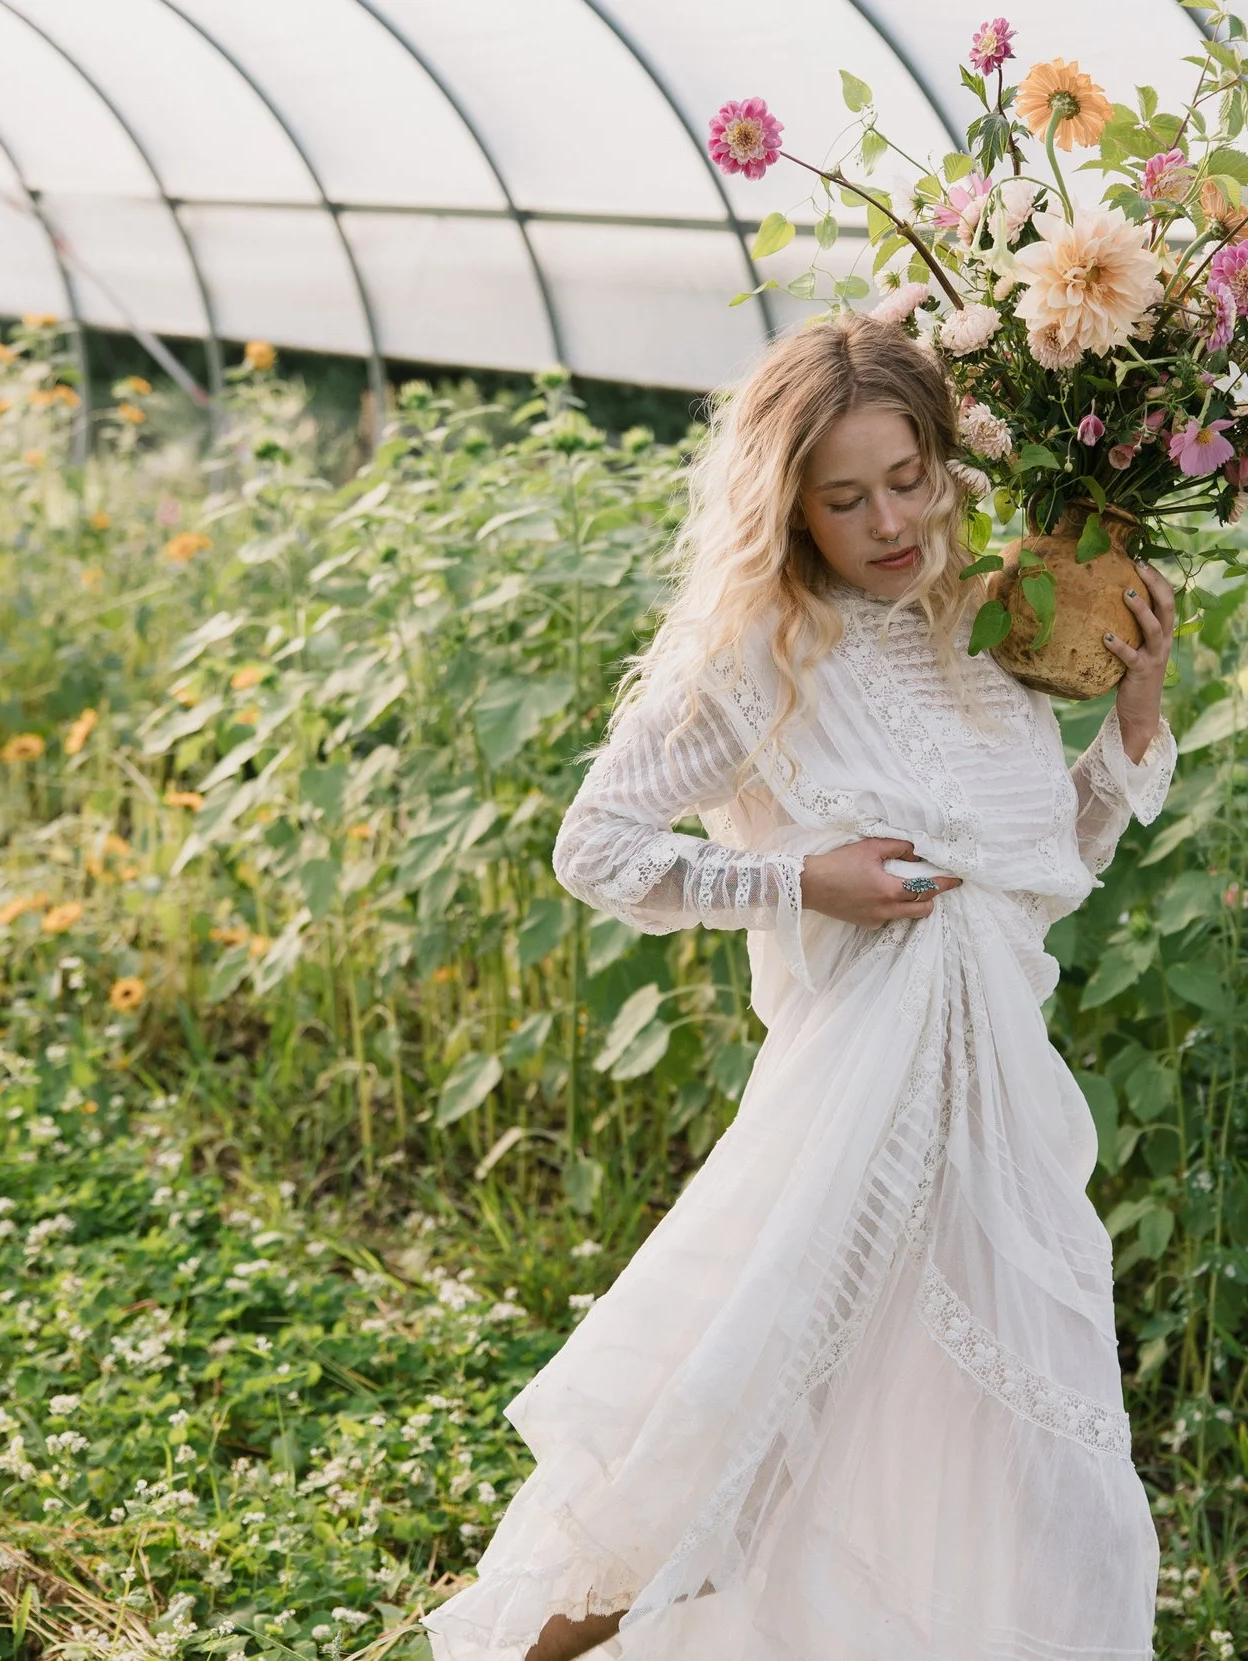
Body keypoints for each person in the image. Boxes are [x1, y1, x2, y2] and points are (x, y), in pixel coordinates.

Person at [422, 310, 1179, 1661]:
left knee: (1045, 1488)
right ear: (791, 506)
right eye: (846, 497)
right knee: (728, 1467)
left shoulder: (992, 635)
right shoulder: (761, 659)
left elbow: (1034, 867)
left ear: (949, 466)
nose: (891, 521)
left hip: (998, 1139)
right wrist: (795, 878)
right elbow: (594, 847)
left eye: (911, 480)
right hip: (846, 1128)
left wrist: (1130, 722)